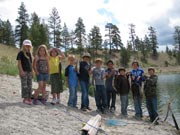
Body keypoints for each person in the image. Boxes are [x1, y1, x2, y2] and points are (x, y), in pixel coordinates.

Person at [16, 39, 33, 105]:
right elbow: (19, 63)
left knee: (30, 85)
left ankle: (29, 98)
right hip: (24, 71)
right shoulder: (21, 53)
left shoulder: (29, 54)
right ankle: (25, 98)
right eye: (26, 45)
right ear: (23, 46)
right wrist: (21, 71)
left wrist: (32, 71)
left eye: (29, 46)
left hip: (29, 71)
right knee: (24, 85)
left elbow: (31, 64)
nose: (27, 47)